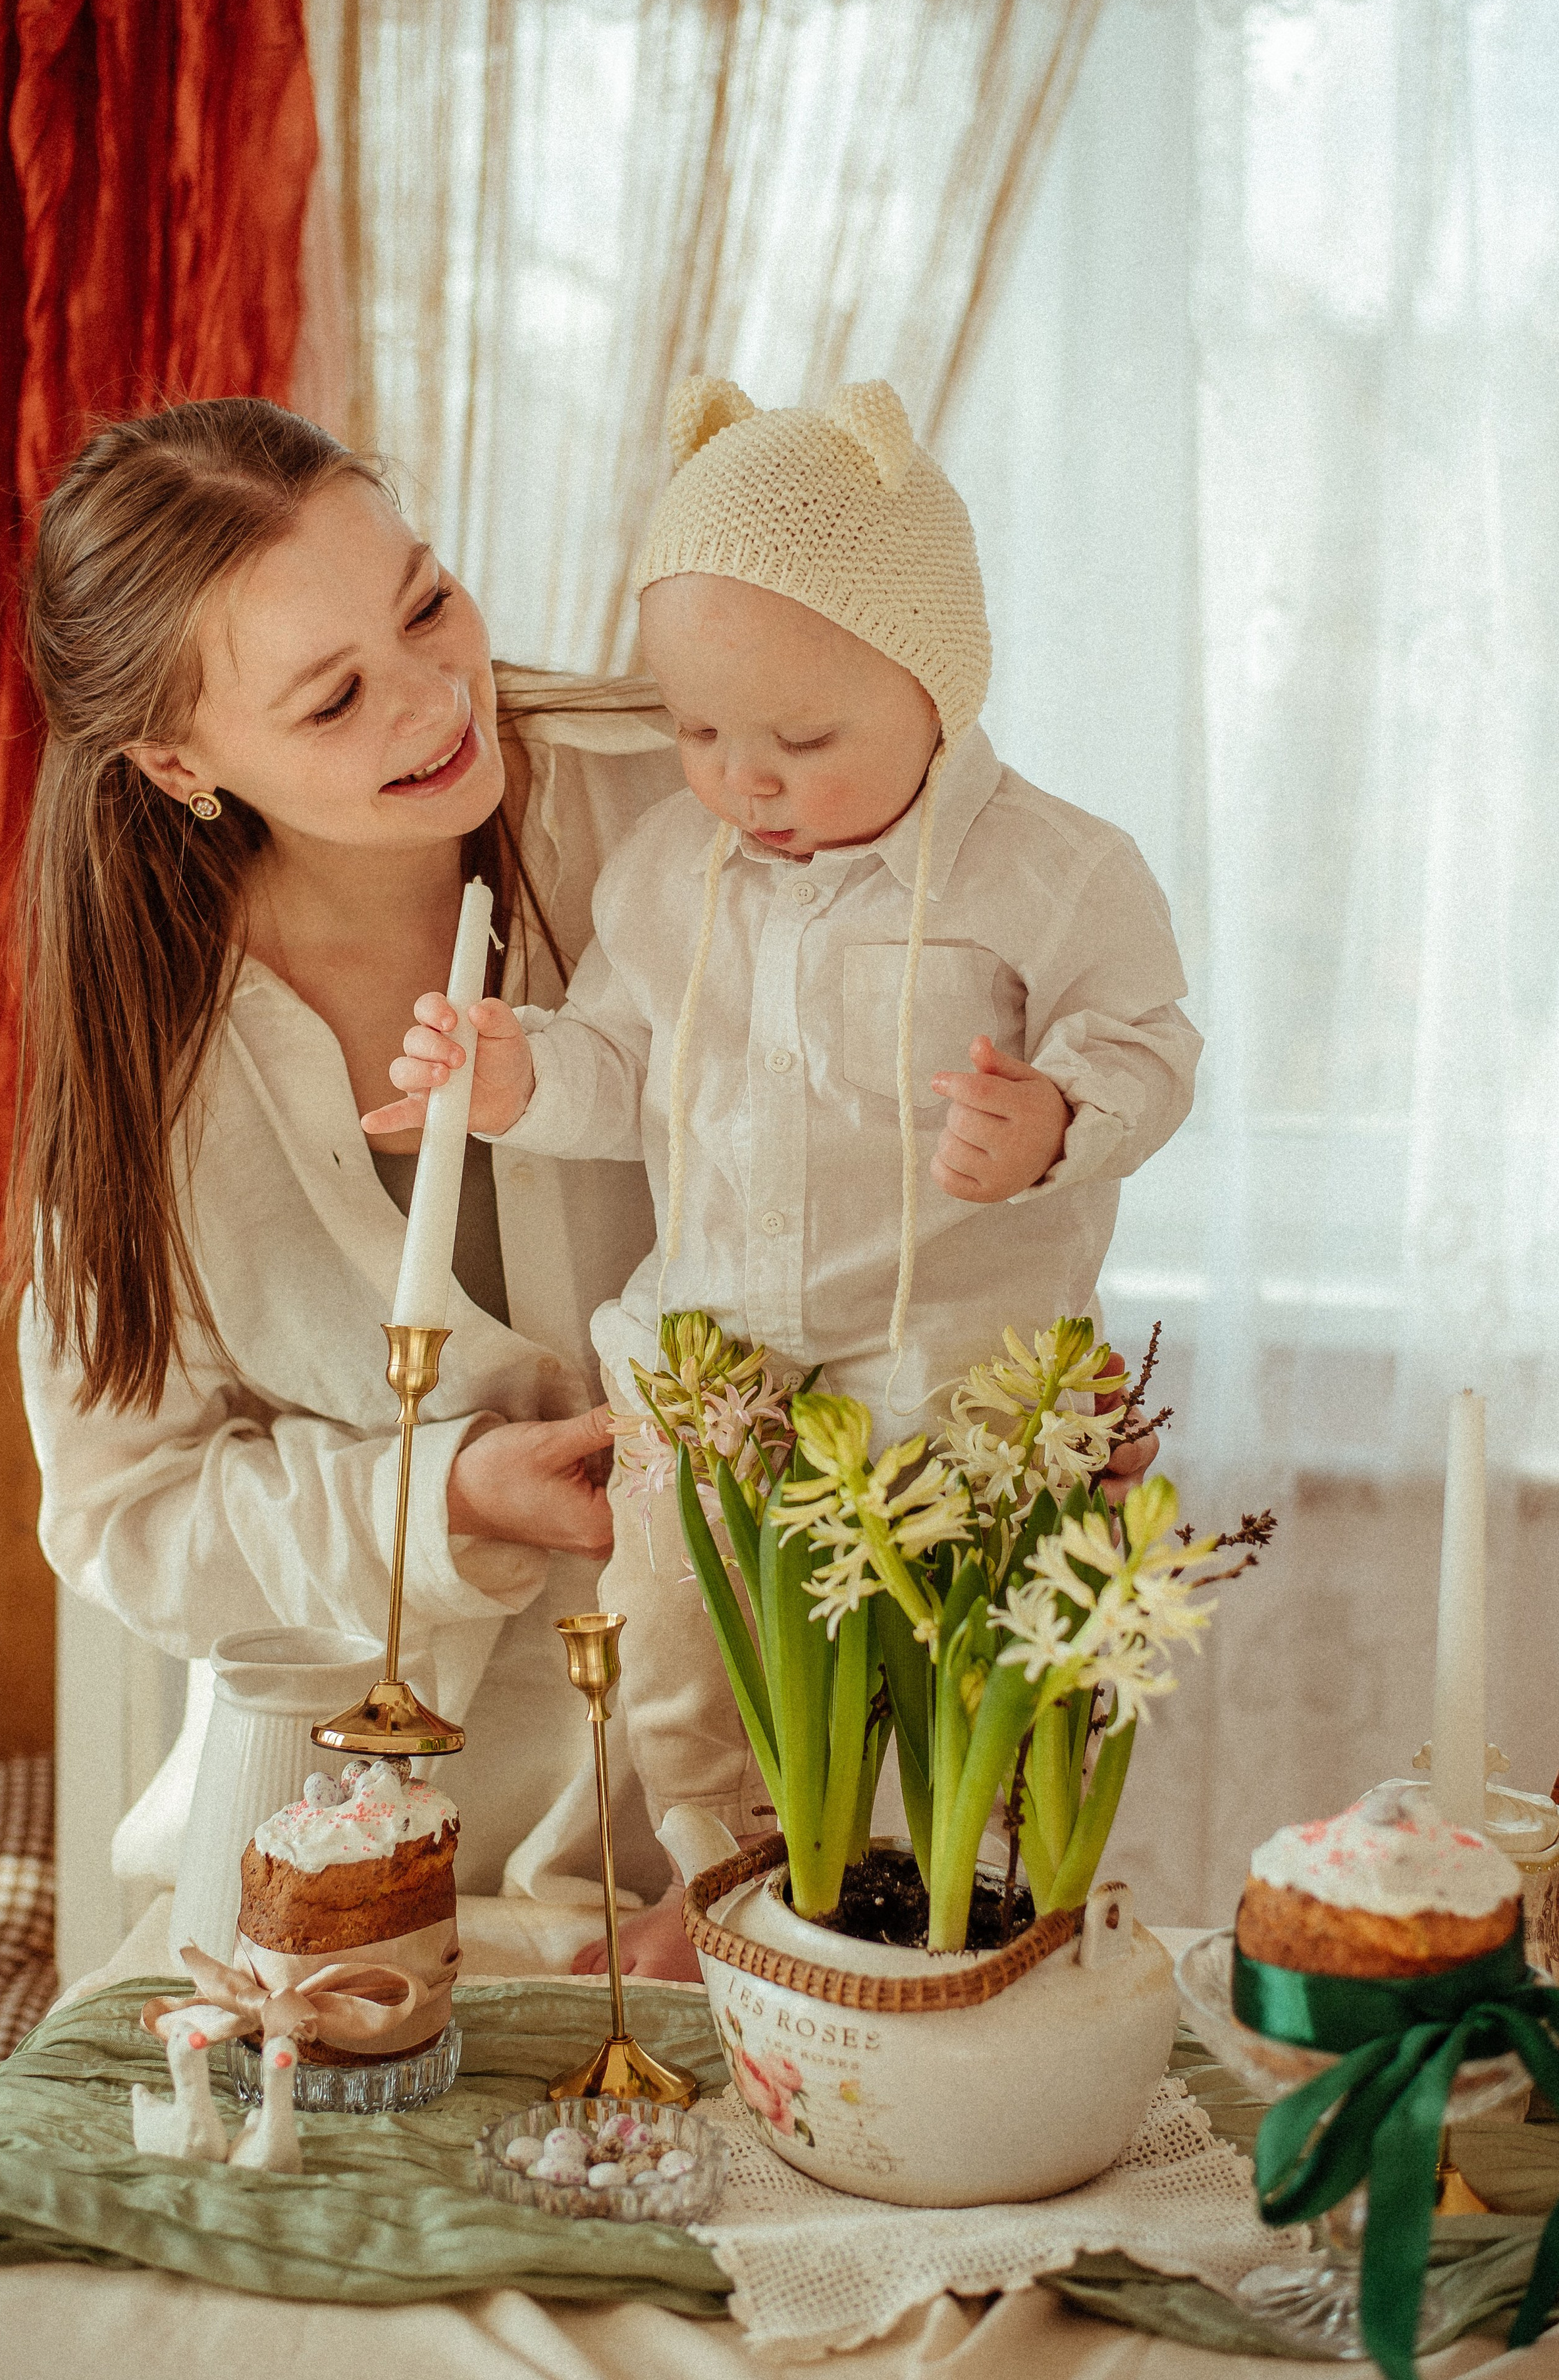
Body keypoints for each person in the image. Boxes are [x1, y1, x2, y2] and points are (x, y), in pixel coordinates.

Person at [373, 378, 1198, 1978]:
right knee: (688, 1641)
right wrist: (521, 1075)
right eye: (696, 734)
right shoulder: (673, 874)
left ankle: (999, 1897)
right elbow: (625, 1066)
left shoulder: (1054, 871)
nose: (742, 779)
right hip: (715, 1352)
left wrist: (1055, 1119)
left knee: (980, 1655)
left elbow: (1148, 1044)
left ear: (936, 689)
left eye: (800, 739)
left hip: (953, 1359)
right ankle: (738, 1873)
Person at [11, 396, 686, 1948]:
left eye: (428, 602)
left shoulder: (680, 802)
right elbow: (131, 1510)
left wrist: (764, 1872)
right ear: (179, 761)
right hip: (359, 1878)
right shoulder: (149, 1058)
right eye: (331, 701)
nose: (438, 698)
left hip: (778, 1811)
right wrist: (431, 1502)